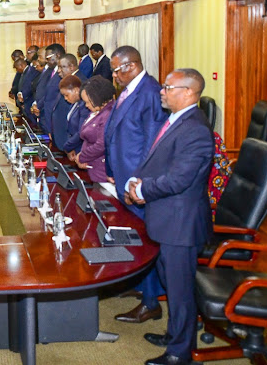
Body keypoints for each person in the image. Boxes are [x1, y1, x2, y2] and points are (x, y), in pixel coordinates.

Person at [124, 69, 214, 365]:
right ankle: (175, 334)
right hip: (167, 219)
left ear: (188, 92)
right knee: (170, 282)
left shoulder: (196, 130)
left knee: (180, 290)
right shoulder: (177, 120)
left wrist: (143, 190)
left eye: (168, 87)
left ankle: (179, 353)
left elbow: (179, 179)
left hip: (181, 223)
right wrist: (136, 182)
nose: (161, 91)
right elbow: (158, 163)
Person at [106, 46, 168, 326]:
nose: (114, 76)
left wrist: (136, 183)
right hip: (123, 176)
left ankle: (151, 303)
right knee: (136, 239)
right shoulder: (131, 89)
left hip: (137, 182)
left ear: (131, 66)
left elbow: (152, 146)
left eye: (116, 70)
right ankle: (143, 286)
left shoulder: (150, 92)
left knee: (146, 241)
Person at [74, 76, 115, 182]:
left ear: (97, 97)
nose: (86, 105)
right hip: (92, 167)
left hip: (102, 172)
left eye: (87, 102)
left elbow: (102, 144)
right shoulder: (97, 111)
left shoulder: (108, 114)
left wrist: (82, 157)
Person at [51, 53, 88, 150]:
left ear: (71, 67)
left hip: (72, 142)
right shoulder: (67, 81)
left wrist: (70, 145)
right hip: (64, 138)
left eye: (61, 67)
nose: (58, 71)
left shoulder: (81, 82)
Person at [32, 43, 65, 135]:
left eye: (48, 58)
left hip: (54, 119)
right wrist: (38, 105)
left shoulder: (63, 73)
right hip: (45, 116)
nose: (47, 61)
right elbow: (47, 93)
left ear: (58, 55)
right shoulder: (52, 71)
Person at [60, 75, 91, 155]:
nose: (65, 98)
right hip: (74, 148)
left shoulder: (85, 107)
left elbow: (81, 132)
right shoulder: (74, 104)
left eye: (66, 95)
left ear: (76, 90)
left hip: (81, 150)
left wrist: (67, 146)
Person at [17, 46, 41, 125]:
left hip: (32, 102)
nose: (27, 55)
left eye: (29, 52)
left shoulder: (37, 68)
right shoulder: (31, 66)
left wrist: (24, 96)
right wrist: (21, 94)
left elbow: (33, 85)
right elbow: (25, 83)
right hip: (27, 103)